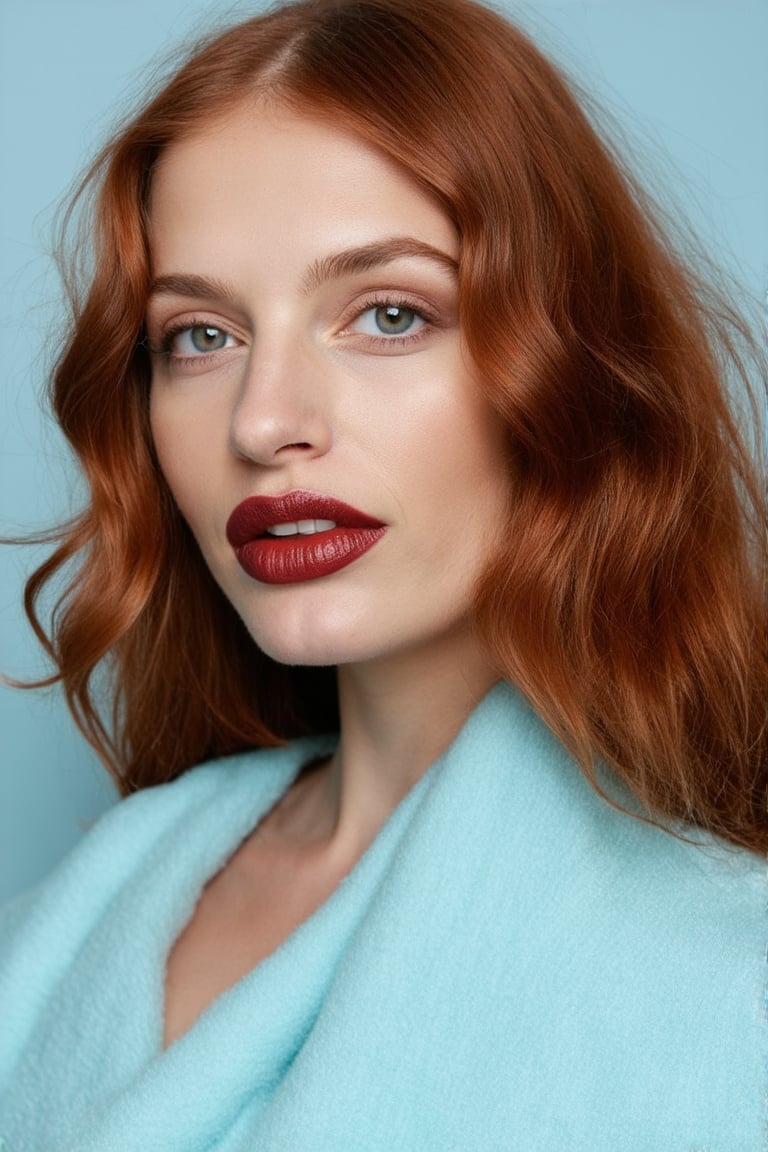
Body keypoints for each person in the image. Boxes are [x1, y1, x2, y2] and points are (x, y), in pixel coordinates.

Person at [0, 0, 765, 1147]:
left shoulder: (727, 984)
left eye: (389, 314)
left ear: (568, 368)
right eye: (200, 336)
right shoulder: (75, 920)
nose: (265, 423)